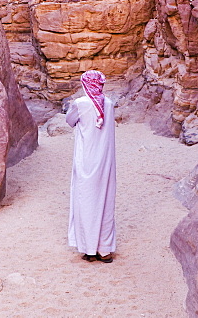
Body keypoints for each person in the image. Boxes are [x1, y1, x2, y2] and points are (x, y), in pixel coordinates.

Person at [66, 69, 116, 263]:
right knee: (105, 202)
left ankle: (89, 250)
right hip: (105, 161)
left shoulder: (80, 104)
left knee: (85, 201)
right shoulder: (109, 104)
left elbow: (70, 121)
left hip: (86, 161)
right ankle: (105, 250)